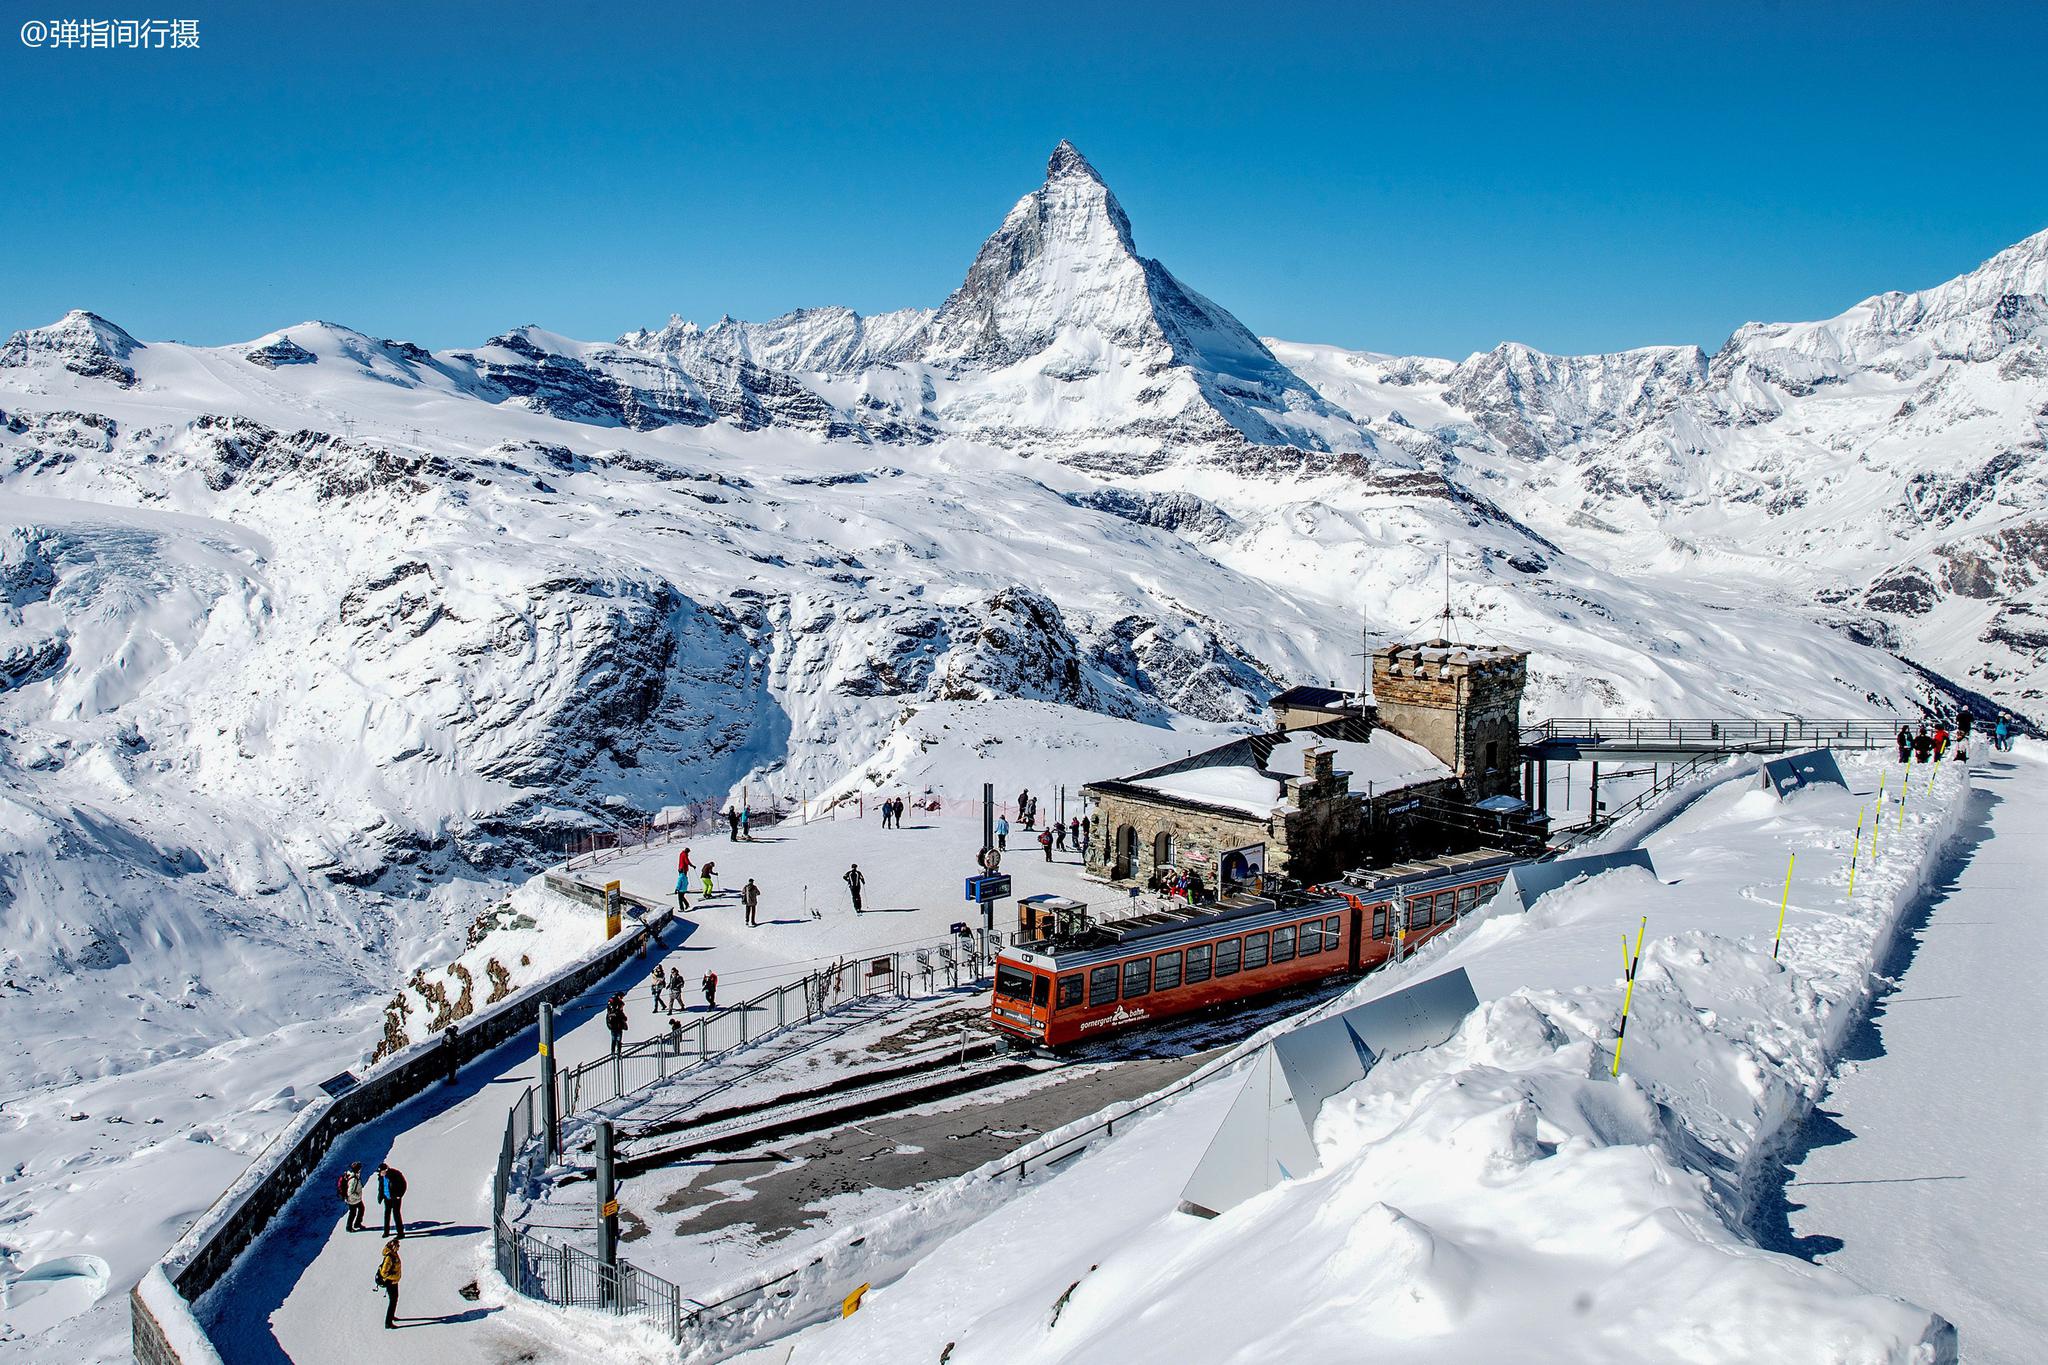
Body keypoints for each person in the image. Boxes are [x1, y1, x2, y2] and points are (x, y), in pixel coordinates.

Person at [375, 1238, 402, 1329]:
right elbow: (384, 1273)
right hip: (391, 1282)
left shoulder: (393, 1254)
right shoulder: (389, 1257)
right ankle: (388, 1322)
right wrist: (394, 1277)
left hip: (394, 1281)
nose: (399, 1247)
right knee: (393, 1301)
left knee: (394, 1300)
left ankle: (391, 1316)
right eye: (397, 1245)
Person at [376, 1162, 408, 1238]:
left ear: (385, 1170)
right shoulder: (381, 1177)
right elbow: (381, 1187)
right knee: (387, 1214)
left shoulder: (395, 1174)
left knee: (396, 1214)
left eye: (381, 1172)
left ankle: (400, 1233)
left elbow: (403, 1184)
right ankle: (386, 1232)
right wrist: (380, 1196)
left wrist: (399, 1195)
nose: (380, 1173)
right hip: (387, 1198)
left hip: (395, 1198)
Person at [343, 1162, 366, 1232]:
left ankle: (357, 1224)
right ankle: (349, 1227)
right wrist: (358, 1196)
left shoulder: (354, 1176)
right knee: (353, 1213)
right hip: (353, 1200)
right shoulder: (353, 1179)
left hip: (355, 1199)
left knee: (361, 1209)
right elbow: (350, 1192)